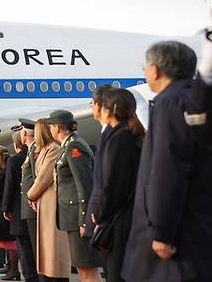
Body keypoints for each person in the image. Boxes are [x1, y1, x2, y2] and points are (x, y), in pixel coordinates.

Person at [123, 41, 212, 282]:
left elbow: (167, 170)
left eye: (146, 66)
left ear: (156, 70)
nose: (145, 72)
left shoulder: (170, 102)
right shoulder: (195, 98)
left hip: (177, 233)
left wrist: (161, 231)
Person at [93, 88, 143, 282]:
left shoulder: (118, 139)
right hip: (129, 216)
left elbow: (113, 185)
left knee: (116, 273)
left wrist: (99, 215)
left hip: (119, 219)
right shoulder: (131, 134)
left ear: (109, 110)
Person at [46, 110, 102, 282]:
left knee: (87, 268)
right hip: (71, 217)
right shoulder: (68, 145)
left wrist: (84, 220)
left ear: (58, 128)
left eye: (51, 126)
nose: (50, 130)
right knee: (82, 266)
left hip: (78, 217)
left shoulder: (74, 146)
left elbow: (84, 184)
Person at [27, 119, 71, 282]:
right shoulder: (46, 149)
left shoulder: (53, 149)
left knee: (53, 248)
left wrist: (31, 195)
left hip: (51, 202)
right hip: (44, 201)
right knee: (47, 248)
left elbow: (44, 178)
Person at [3, 131, 37, 282]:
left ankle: (30, 276)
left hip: (18, 209)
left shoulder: (14, 160)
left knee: (23, 245)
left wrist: (6, 208)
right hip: (35, 208)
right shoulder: (37, 155)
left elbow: (9, 187)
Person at [84, 84, 114, 237]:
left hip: (107, 219)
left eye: (92, 104)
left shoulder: (114, 137)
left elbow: (109, 181)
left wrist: (99, 213)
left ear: (98, 106)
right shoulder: (107, 134)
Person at [0, 145, 18, 280]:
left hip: (4, 208)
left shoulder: (3, 172)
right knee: (11, 241)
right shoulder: (9, 168)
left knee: (9, 242)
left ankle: (13, 270)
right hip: (10, 207)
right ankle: (11, 268)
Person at [17, 119, 38, 262]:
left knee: (37, 247)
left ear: (24, 133)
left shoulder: (35, 150)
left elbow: (38, 177)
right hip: (29, 204)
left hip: (33, 205)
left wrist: (31, 196)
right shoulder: (31, 149)